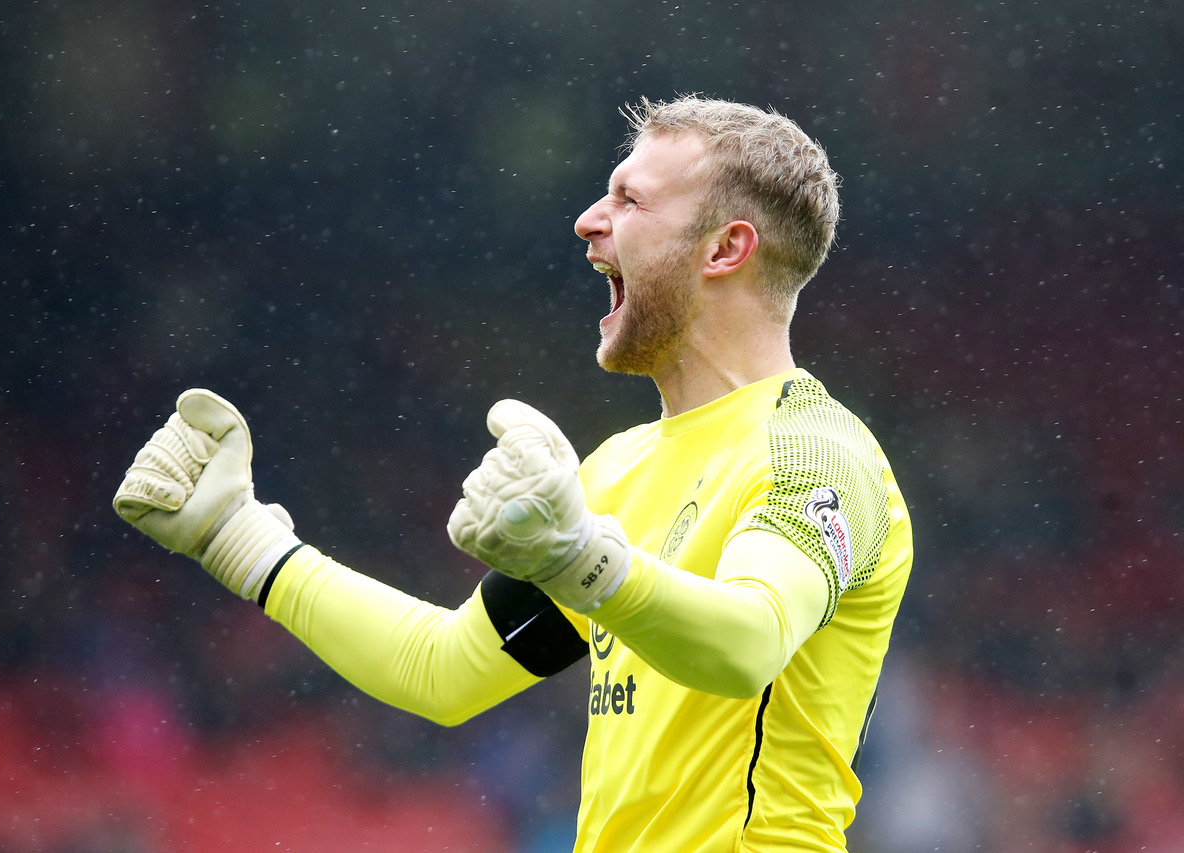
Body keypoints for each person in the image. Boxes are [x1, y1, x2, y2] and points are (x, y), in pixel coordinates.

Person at [113, 94, 913, 852]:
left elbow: (750, 641)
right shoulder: (617, 471)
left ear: (726, 248)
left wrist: (582, 562)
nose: (588, 221)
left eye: (629, 202)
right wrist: (238, 536)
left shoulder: (814, 450)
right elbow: (443, 669)